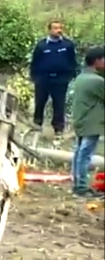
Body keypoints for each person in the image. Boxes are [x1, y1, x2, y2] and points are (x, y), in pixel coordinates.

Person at [30, 20, 77, 134]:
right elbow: (35, 61)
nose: (58, 30)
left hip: (60, 79)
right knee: (40, 102)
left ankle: (58, 128)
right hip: (43, 79)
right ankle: (37, 124)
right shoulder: (41, 45)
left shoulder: (67, 45)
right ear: (49, 30)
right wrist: (35, 77)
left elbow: (72, 61)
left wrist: (69, 75)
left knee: (59, 103)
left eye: (60, 28)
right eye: (55, 28)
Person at [71, 46, 105, 198]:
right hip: (92, 122)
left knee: (79, 153)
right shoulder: (96, 81)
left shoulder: (81, 77)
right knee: (85, 155)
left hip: (80, 119)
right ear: (97, 60)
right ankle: (82, 187)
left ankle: (78, 184)